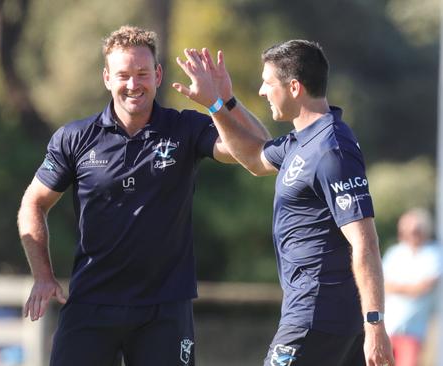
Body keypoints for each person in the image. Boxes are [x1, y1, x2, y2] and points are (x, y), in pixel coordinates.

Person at [16, 25, 270, 366]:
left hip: (164, 309)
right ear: (107, 78)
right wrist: (43, 276)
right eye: (123, 75)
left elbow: (259, 154)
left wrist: (224, 103)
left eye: (142, 74)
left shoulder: (185, 128)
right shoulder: (75, 137)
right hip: (91, 302)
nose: (133, 84)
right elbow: (34, 203)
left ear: (158, 74)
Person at [173, 42, 394, 365]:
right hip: (324, 317)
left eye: (268, 83)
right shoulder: (301, 142)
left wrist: (375, 324)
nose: (262, 91)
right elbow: (252, 157)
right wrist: (222, 102)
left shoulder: (331, 150)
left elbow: (366, 243)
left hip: (316, 315)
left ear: (294, 87)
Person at [382, 208, 441, 366]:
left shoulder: (434, 254)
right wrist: (408, 287)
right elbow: (382, 285)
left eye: (415, 230)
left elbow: (421, 288)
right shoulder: (394, 253)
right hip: (388, 328)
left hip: (413, 331)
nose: (410, 233)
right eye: (405, 230)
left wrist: (397, 287)